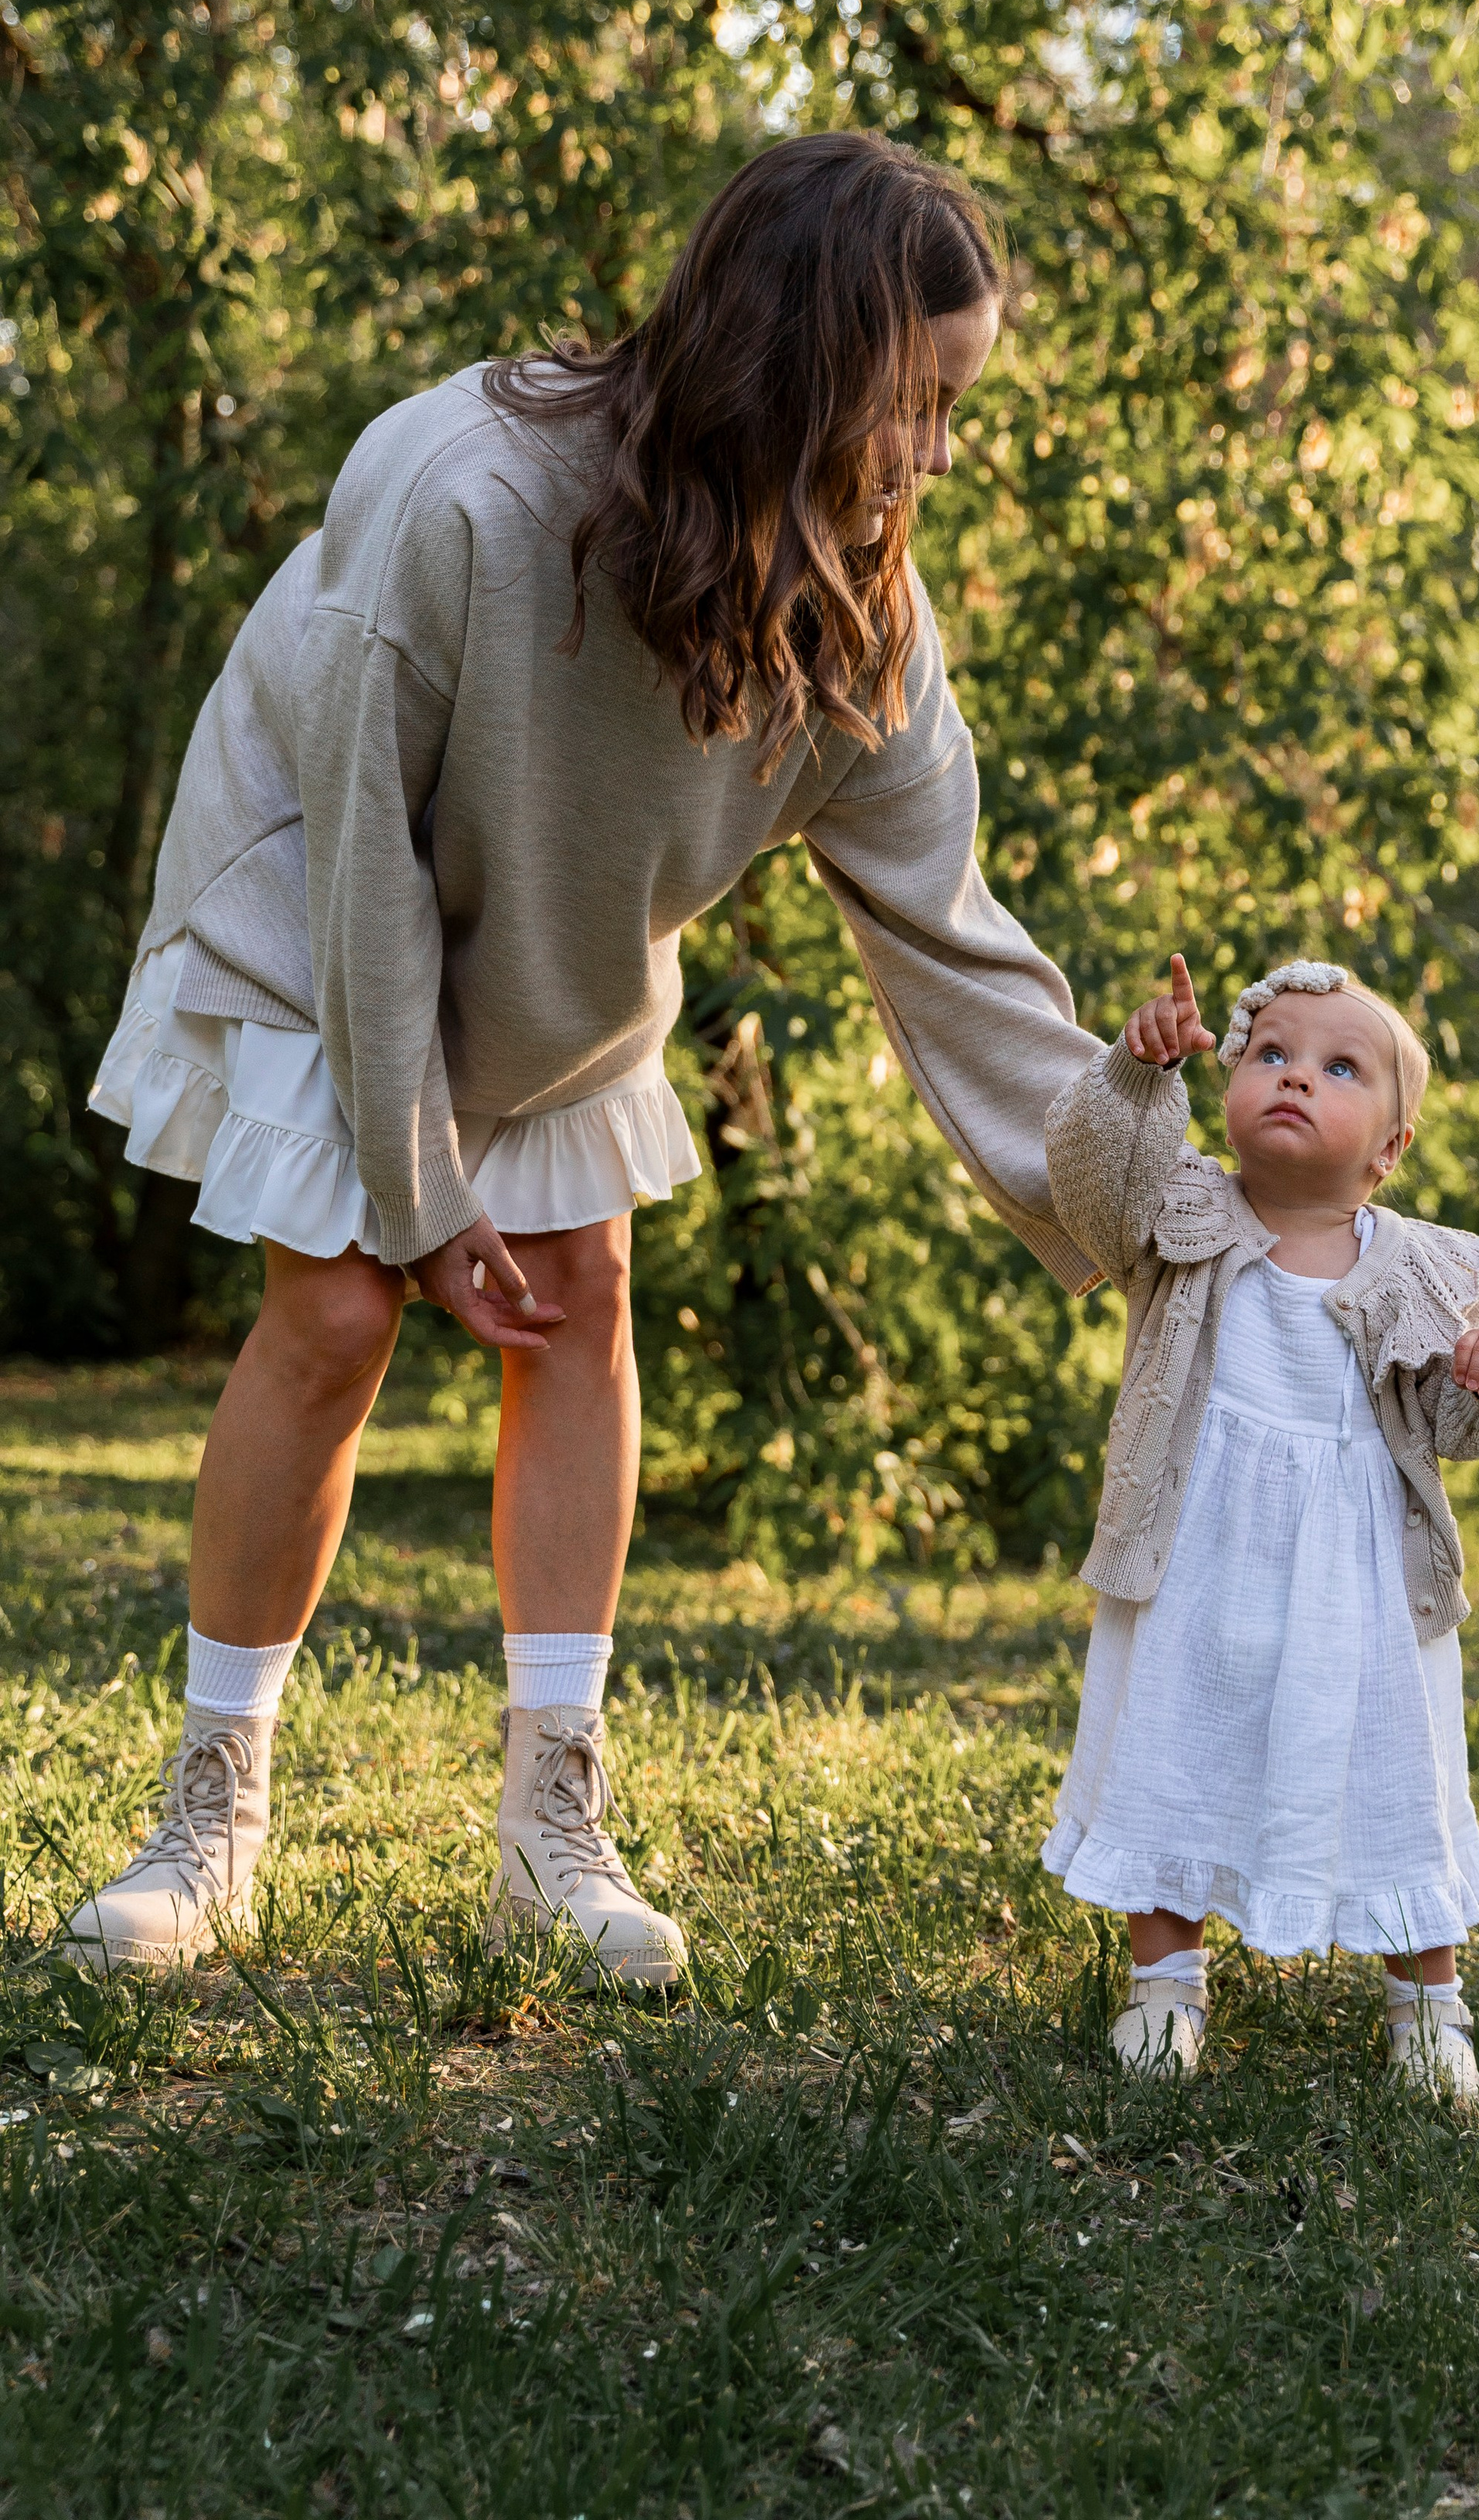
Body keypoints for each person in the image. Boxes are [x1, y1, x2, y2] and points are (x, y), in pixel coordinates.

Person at [72, 133, 1102, 1983]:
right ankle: (207, 1821)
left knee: (583, 1296)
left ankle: (552, 1833)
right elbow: (368, 847)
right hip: (319, 892)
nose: (935, 462)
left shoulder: (858, 604)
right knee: (336, 1314)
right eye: (915, 407)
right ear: (800, 359)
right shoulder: (461, 486)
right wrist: (417, 1185)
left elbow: (949, 931)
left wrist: (1149, 1195)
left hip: (554, 947)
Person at [1038, 952, 1479, 2100]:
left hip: (1361, 1580)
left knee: (1393, 1772)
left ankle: (1429, 2006)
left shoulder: (1424, 1265)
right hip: (1196, 1556)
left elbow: (1475, 1419)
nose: (1294, 1077)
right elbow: (1090, 1189)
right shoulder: (1183, 1211)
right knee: (1174, 1742)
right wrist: (1135, 1073)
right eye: (1269, 1053)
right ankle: (1164, 1990)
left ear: (1390, 1147)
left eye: (1337, 1066)